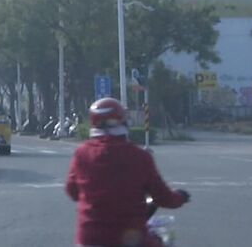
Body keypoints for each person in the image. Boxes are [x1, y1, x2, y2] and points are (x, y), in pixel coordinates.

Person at [65, 97, 189, 247]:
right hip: (130, 239)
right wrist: (180, 197)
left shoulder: (82, 153)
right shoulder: (139, 156)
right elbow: (162, 196)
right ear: (123, 122)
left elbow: (72, 191)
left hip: (89, 239)